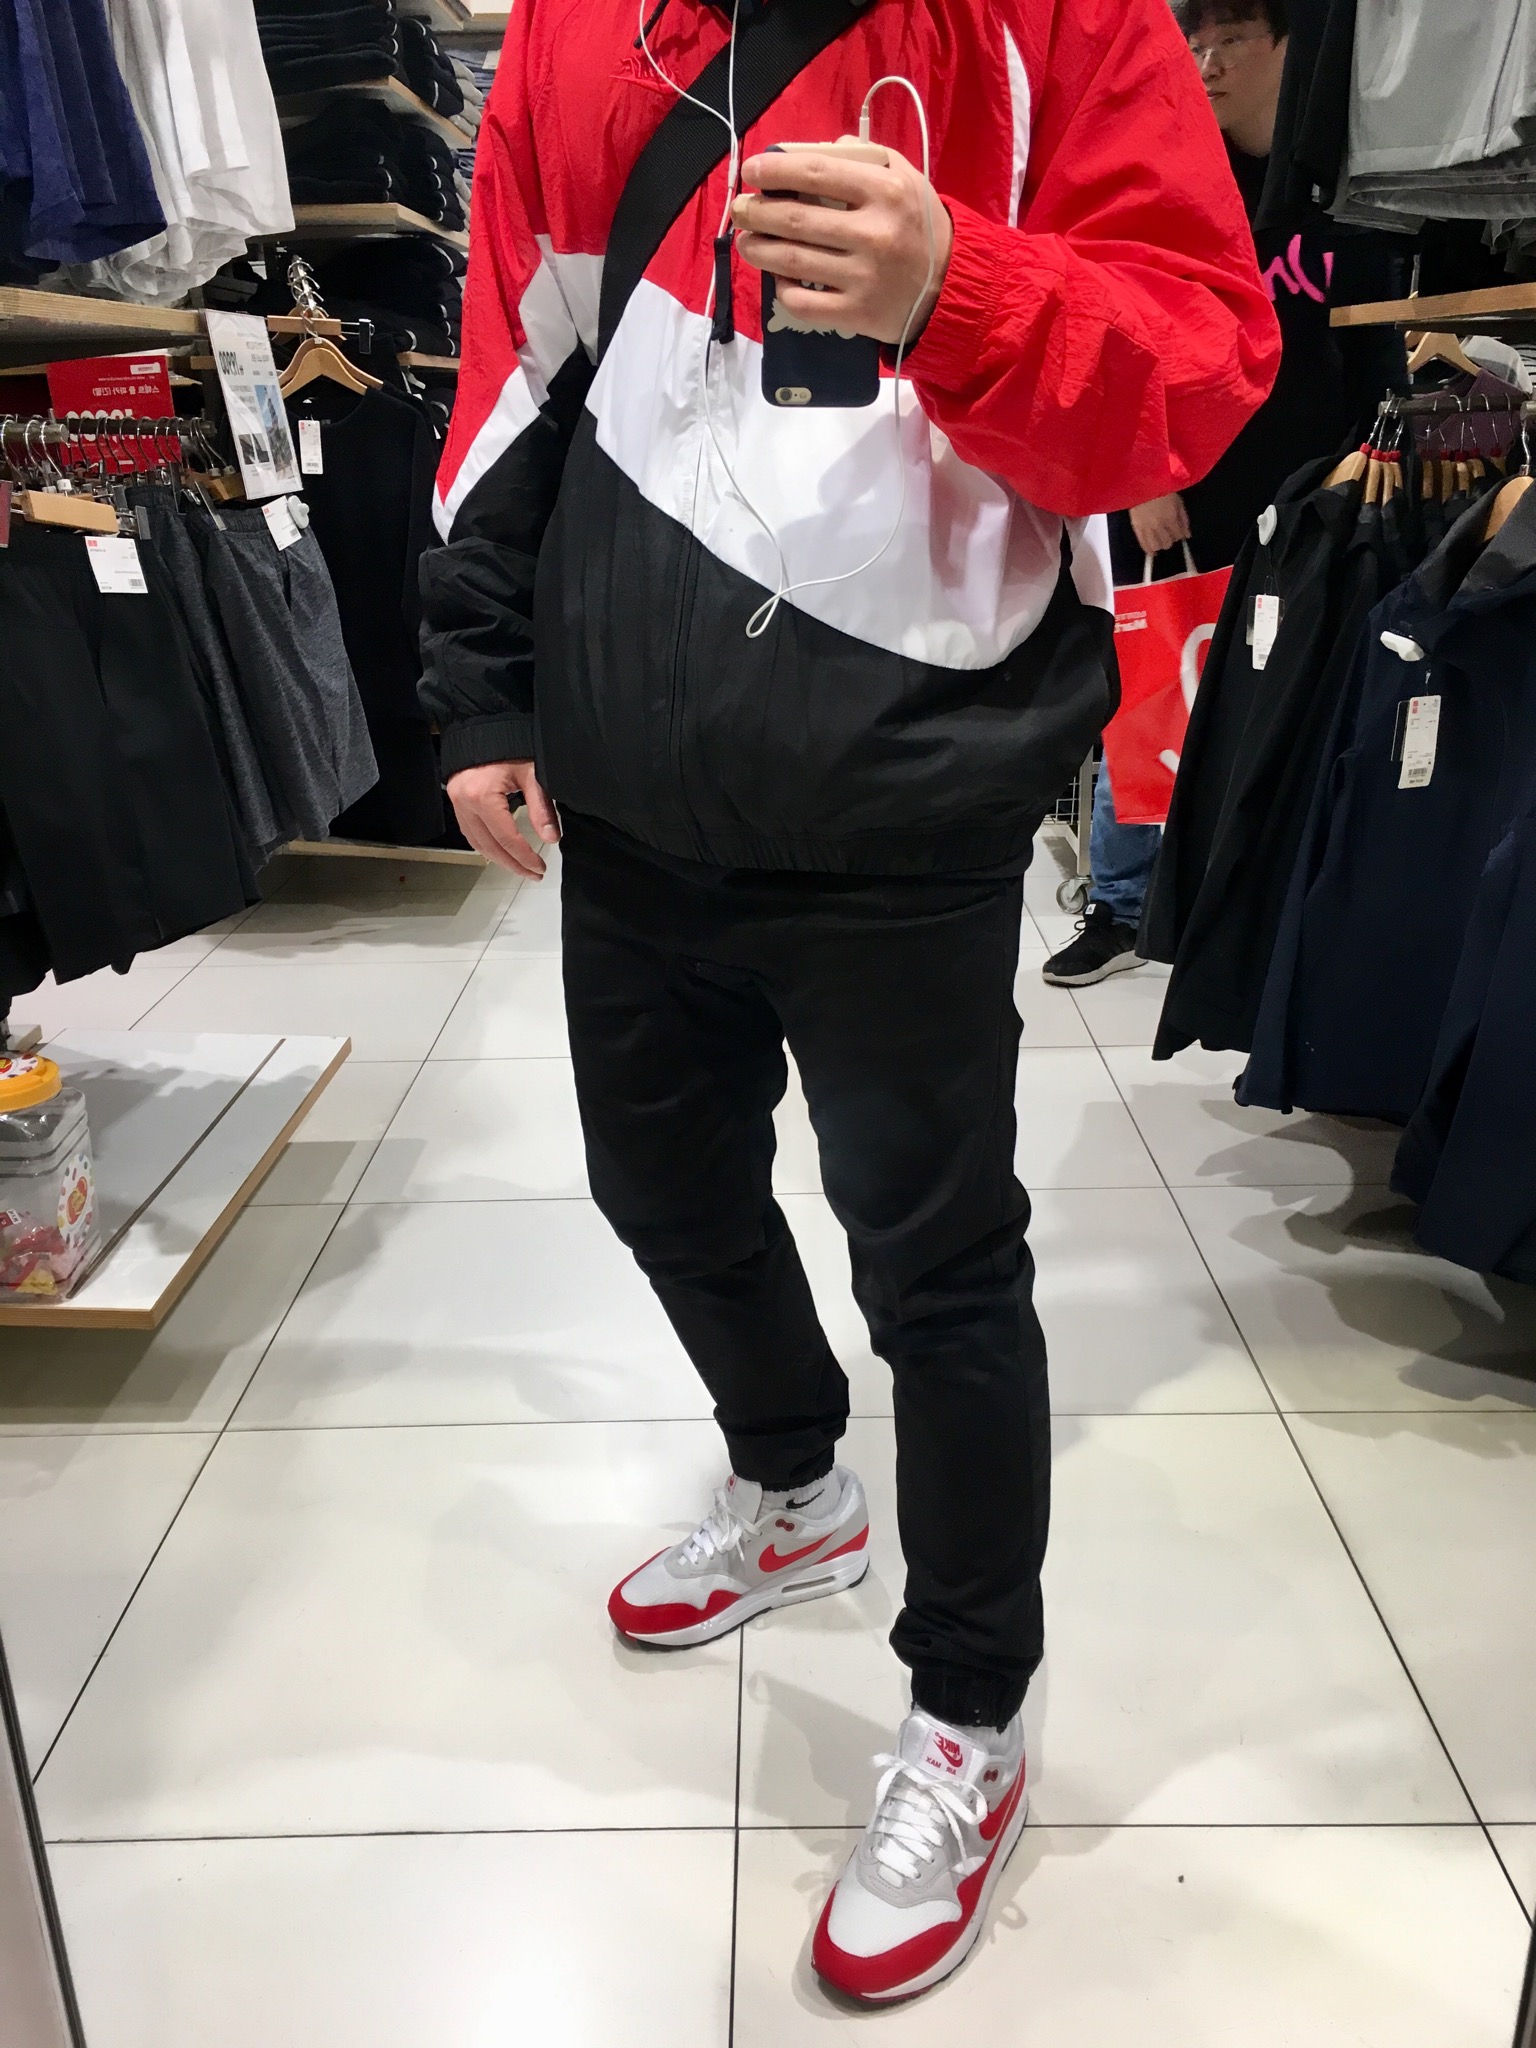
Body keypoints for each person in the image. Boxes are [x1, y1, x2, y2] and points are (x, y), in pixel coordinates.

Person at [420, 0, 1276, 2004]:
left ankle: (972, 1707)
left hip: (910, 791)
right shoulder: (577, 30)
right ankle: (792, 1480)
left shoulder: (1066, 22)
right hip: (636, 783)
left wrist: (954, 287)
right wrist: (481, 685)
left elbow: (1194, 370)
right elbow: (514, 367)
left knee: (940, 1272)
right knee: (659, 1188)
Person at [1041, 0, 1405, 990]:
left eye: (1231, 41)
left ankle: (1238, 898)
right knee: (1153, 683)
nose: (1206, 64)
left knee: (1277, 695)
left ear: (1293, 46)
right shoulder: (1175, 181)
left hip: (1308, 494)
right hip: (1175, 492)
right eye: (1194, 44)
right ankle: (1121, 903)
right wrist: (1144, 475)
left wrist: (1364, 481)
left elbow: (1374, 350)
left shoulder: (1345, 194)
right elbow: (1122, 332)